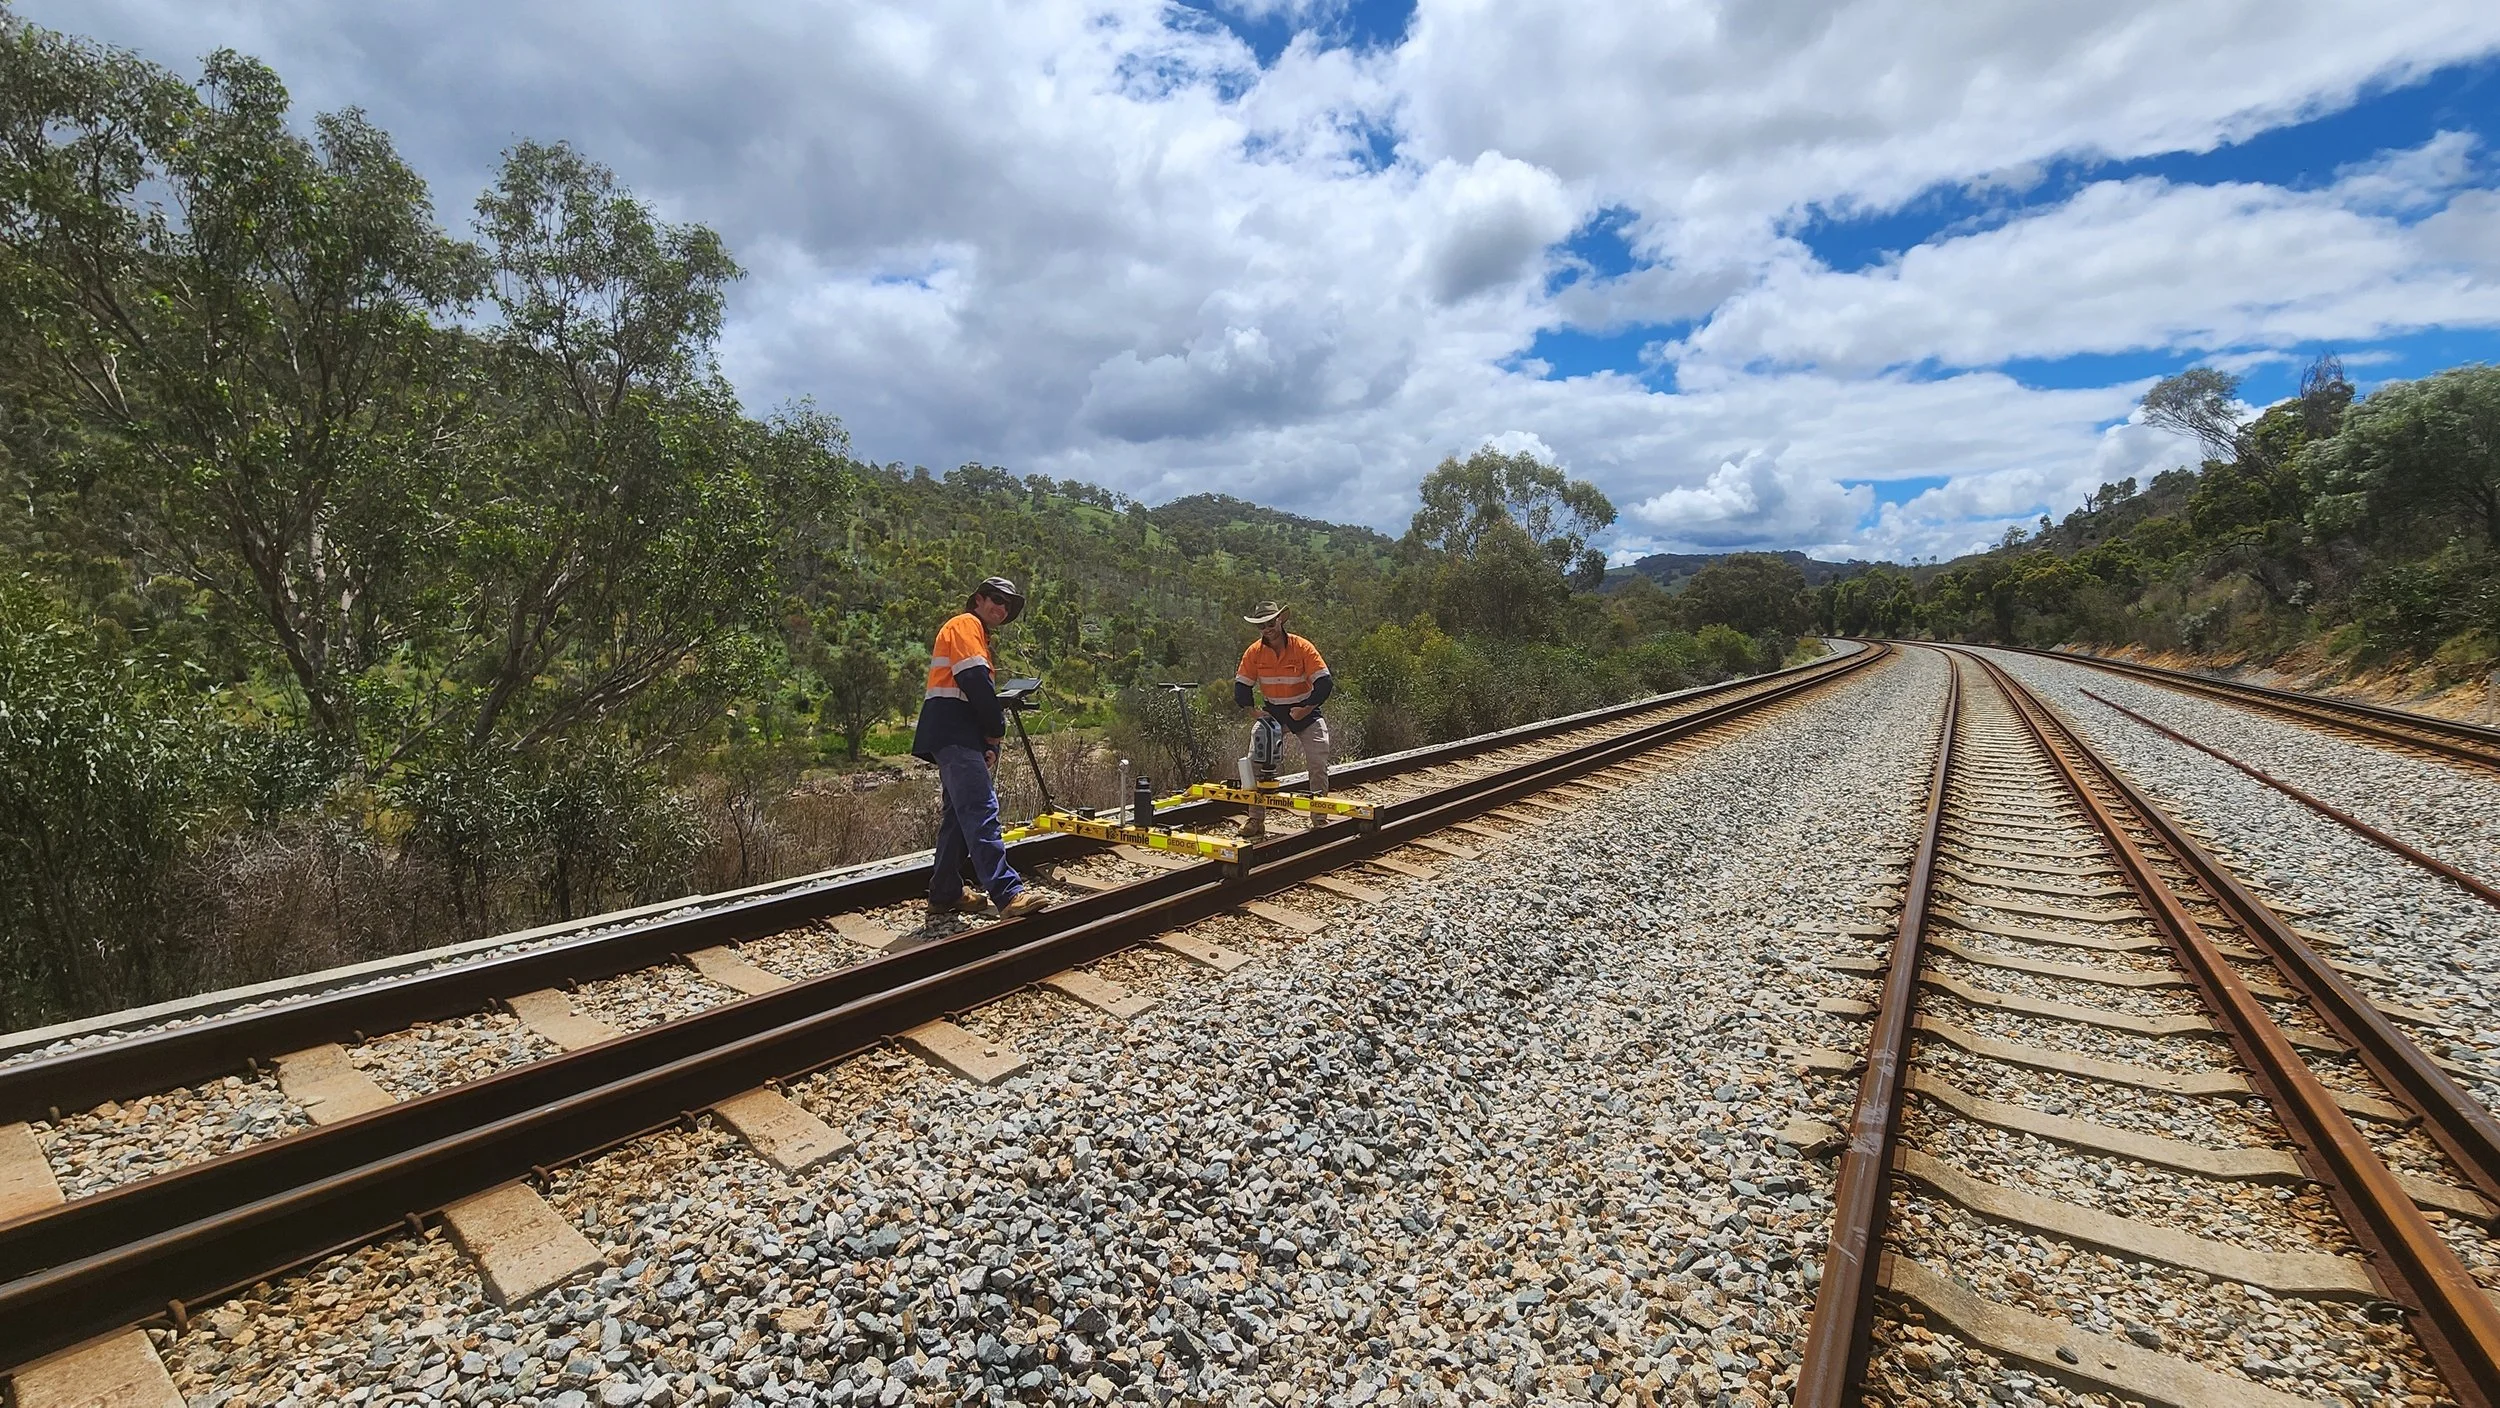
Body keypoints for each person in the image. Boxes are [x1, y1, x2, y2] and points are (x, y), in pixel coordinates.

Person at [912, 577, 1050, 918]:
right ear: (978, 599)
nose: (1001, 608)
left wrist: (983, 741)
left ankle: (945, 892)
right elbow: (974, 682)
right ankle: (1008, 893)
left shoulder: (974, 633)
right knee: (980, 810)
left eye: (1007, 605)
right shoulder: (965, 625)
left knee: (958, 817)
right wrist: (995, 731)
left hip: (956, 734)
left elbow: (966, 692)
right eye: (996, 600)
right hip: (955, 734)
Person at [1233, 601, 1333, 796]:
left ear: (1279, 620)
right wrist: (1253, 711)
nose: (1267, 629)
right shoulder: (1254, 652)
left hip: (1306, 712)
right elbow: (1242, 686)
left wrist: (1306, 709)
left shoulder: (1302, 647)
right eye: (1261, 626)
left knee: (1317, 761)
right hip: (1272, 715)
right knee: (1253, 763)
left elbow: (1324, 682)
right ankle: (1255, 820)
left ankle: (1319, 818)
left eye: (1270, 623)